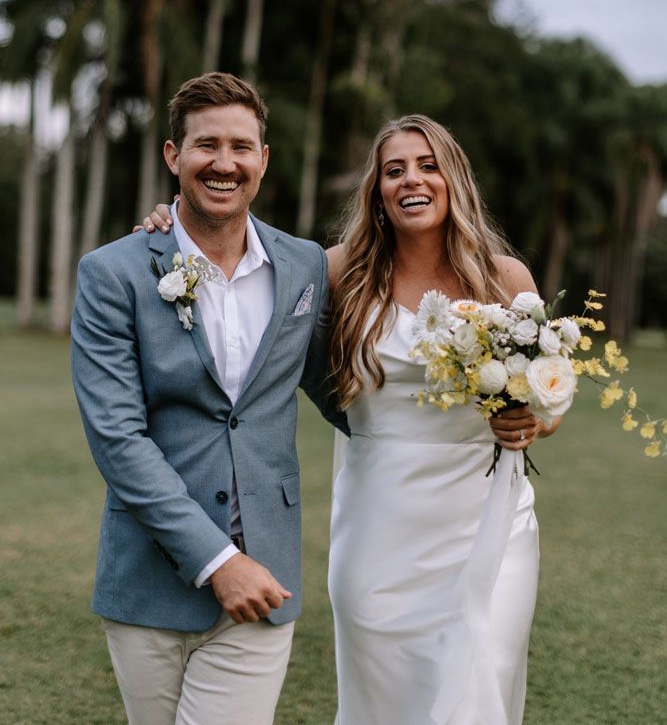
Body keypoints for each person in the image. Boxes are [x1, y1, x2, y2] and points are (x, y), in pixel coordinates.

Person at [143, 112, 561, 725]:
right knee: (385, 700)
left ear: (455, 178)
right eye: (394, 170)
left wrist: (533, 422)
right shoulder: (339, 273)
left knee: (480, 683)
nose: (411, 181)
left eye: (427, 166)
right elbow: (242, 258)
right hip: (379, 522)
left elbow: (545, 396)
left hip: (490, 519)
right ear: (378, 190)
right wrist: (171, 223)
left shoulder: (505, 278)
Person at [71, 71, 348, 725]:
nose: (224, 163)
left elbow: (334, 388)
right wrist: (216, 560)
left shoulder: (304, 265)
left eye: (241, 147)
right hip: (147, 577)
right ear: (174, 156)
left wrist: (456, 420)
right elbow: (117, 438)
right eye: (205, 145)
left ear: (263, 159)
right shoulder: (113, 272)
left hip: (264, 577)